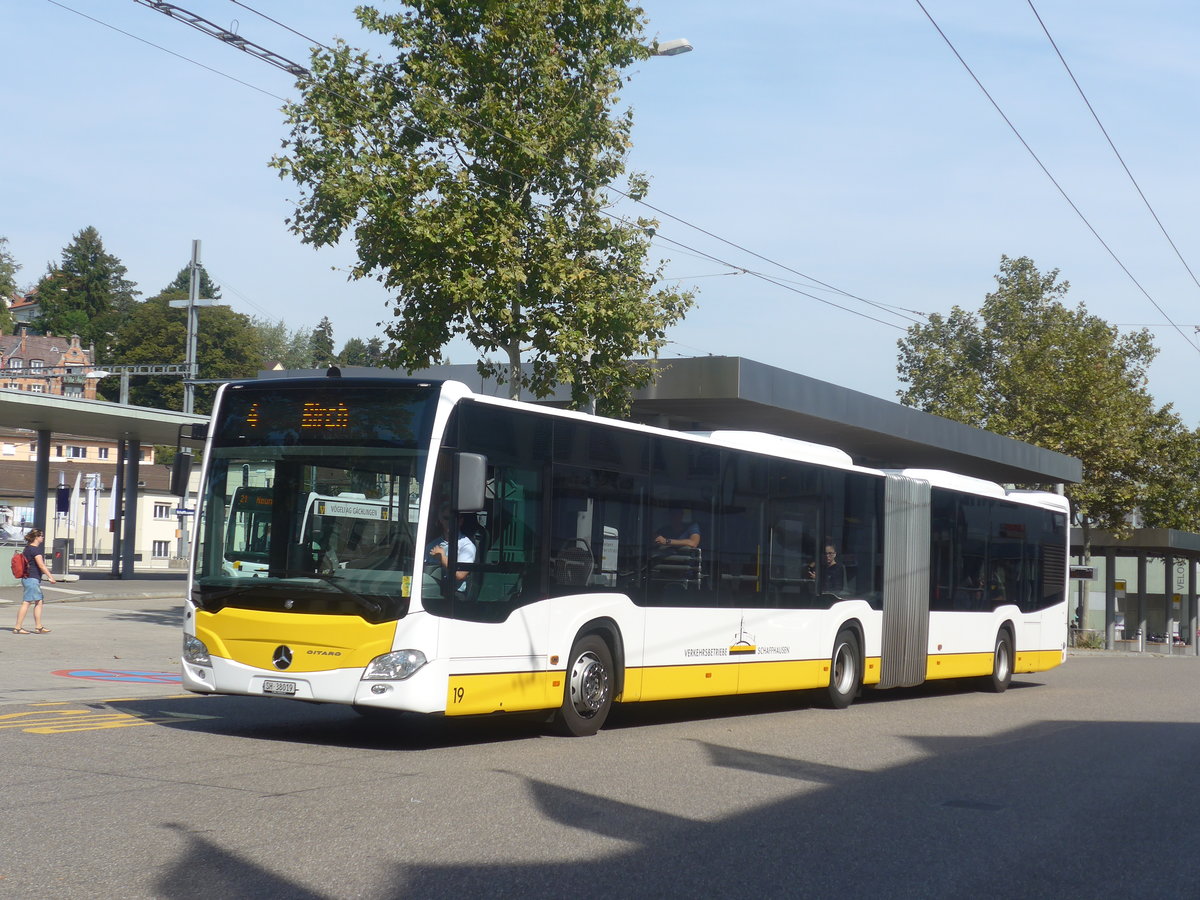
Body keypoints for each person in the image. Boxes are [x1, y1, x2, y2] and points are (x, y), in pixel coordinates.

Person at [424, 508, 477, 597]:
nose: (449, 522)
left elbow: (460, 575)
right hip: (430, 589)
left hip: (455, 595)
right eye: (446, 518)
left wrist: (443, 558)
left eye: (453, 518)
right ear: (440, 519)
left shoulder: (467, 546)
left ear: (460, 521)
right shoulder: (432, 545)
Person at [13, 528, 56, 634]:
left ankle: (38, 626)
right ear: (36, 537)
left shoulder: (27, 549)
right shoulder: (35, 550)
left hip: (27, 578)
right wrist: (50, 576)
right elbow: (41, 565)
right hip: (32, 579)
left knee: (38, 601)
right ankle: (18, 627)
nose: (43, 537)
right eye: (41, 536)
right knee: (27, 602)